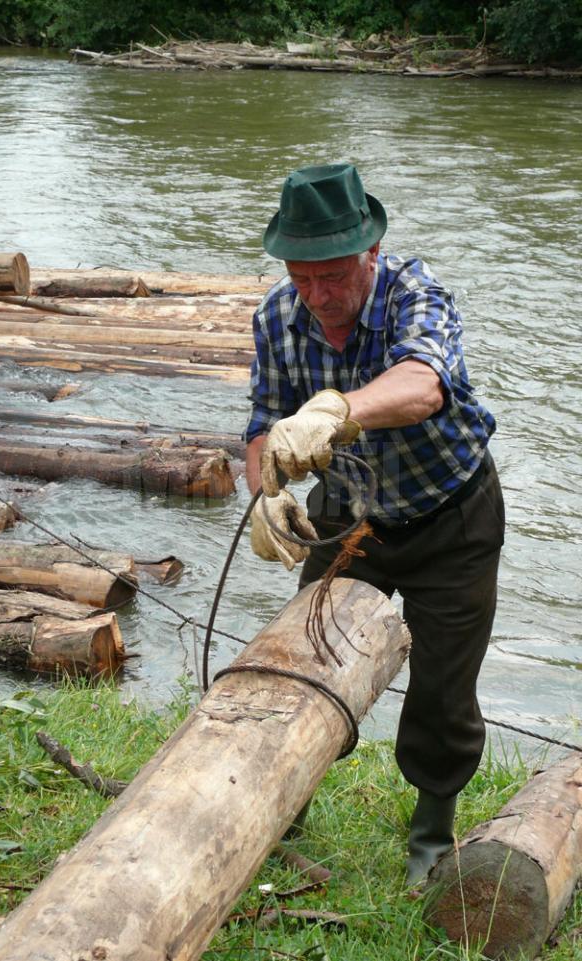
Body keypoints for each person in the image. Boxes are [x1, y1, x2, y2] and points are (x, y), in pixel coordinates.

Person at [244, 163, 505, 887]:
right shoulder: (276, 317)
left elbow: (422, 383)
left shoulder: (416, 294)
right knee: (308, 655)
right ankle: (279, 802)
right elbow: (262, 424)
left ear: (370, 254)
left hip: (451, 515)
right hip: (349, 516)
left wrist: (335, 410)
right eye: (303, 277)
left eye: (333, 275)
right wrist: (265, 488)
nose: (319, 296)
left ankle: (431, 833)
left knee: (444, 689)